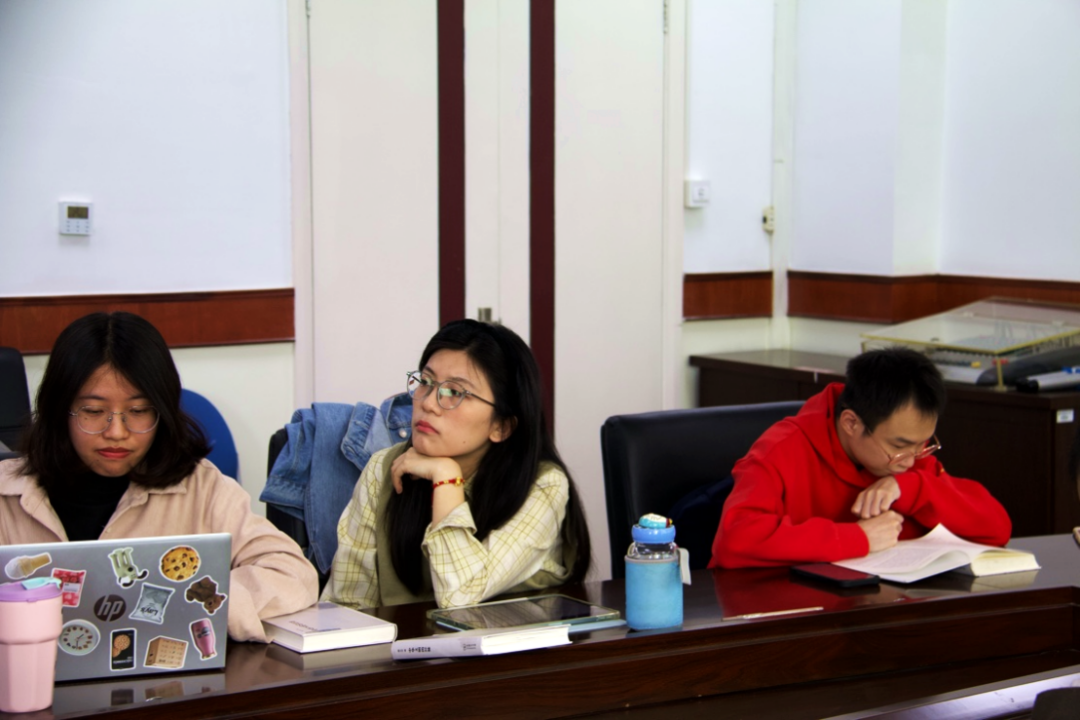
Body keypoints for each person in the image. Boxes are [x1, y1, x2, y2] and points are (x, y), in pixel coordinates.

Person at [0, 312, 319, 641]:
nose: (116, 432)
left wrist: (192, 605)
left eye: (138, 411)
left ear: (162, 412)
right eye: (93, 411)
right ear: (58, 411)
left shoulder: (201, 487)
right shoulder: (5, 493)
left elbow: (292, 573)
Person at [323, 319, 591, 608]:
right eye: (425, 383)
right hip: (401, 638)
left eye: (454, 392)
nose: (428, 403)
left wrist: (446, 478)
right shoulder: (383, 468)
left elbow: (460, 595)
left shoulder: (542, 485)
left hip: (508, 639)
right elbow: (348, 604)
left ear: (501, 426)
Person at [710, 347, 1012, 568]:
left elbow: (996, 529)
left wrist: (912, 488)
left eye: (924, 443)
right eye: (899, 445)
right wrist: (858, 538)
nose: (911, 461)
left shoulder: (912, 456)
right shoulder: (781, 449)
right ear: (851, 423)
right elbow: (735, 541)